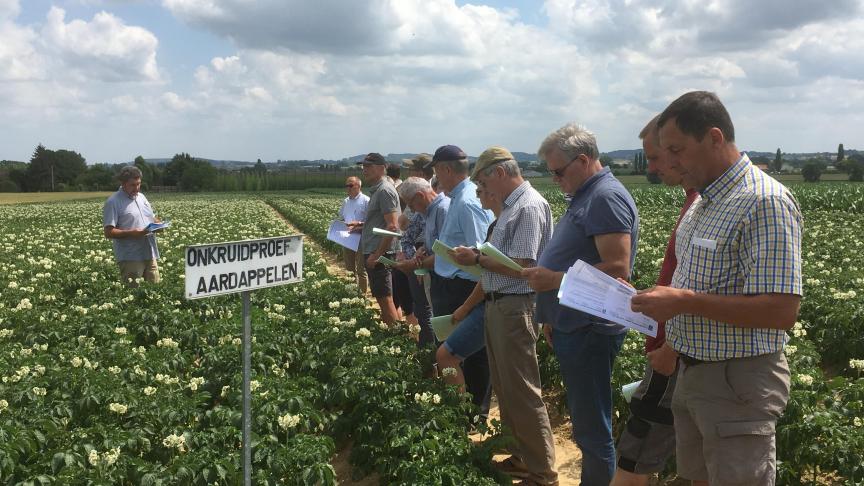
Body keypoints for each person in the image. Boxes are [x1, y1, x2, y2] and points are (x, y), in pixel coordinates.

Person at [631, 91, 802, 486]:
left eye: (676, 149)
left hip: (736, 382)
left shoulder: (764, 202)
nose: (669, 162)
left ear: (713, 138)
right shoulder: (702, 202)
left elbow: (781, 310)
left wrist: (683, 301)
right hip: (694, 375)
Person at [523, 124, 639, 486]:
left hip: (590, 329)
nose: (554, 179)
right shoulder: (587, 196)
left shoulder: (604, 197)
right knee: (588, 423)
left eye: (558, 171)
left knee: (592, 428)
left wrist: (554, 280)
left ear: (584, 160)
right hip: (575, 324)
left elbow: (619, 267)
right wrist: (553, 316)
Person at [452, 146, 558, 486]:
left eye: (483, 180)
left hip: (516, 306)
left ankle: (543, 473)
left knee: (523, 392)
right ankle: (521, 458)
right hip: (501, 305)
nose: (484, 188)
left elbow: (525, 266)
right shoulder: (512, 209)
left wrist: (478, 259)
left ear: (499, 172)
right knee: (507, 388)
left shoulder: (527, 207)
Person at [611, 115, 699, 485]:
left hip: (672, 354)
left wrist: (672, 348)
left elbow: (703, 291)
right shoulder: (695, 201)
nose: (652, 167)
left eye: (656, 156)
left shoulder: (705, 203)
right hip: (668, 347)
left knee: (637, 454)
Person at [424, 144, 494, 424]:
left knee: (471, 355)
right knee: (459, 353)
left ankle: (474, 412)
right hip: (452, 284)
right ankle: (463, 407)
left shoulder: (466, 201)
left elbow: (481, 251)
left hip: (463, 287)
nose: (436, 178)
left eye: (436, 171)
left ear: (445, 169)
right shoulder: (457, 198)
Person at [438, 183, 500, 393]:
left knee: (451, 354)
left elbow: (491, 268)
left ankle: (468, 413)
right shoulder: (498, 222)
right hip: (487, 296)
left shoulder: (467, 204)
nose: (477, 196)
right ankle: (470, 411)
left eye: (480, 191)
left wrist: (475, 257)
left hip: (489, 297)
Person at [396, 175, 447, 347]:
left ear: (419, 196)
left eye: (410, 203)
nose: (410, 208)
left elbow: (447, 251)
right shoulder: (424, 213)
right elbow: (408, 238)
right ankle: (432, 355)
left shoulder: (443, 210)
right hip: (432, 273)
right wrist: (417, 256)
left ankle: (435, 357)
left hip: (445, 276)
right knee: (427, 311)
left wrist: (418, 265)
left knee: (437, 316)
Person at [357, 152, 402, 325]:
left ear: (382, 168)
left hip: (380, 254)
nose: (365, 170)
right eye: (364, 166)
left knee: (385, 299)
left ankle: (395, 339)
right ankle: (396, 333)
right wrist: (362, 226)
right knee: (386, 298)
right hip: (377, 251)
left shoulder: (384, 191)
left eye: (369, 166)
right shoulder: (379, 189)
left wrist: (377, 255)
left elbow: (392, 226)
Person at [103, 165, 163, 287]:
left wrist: (158, 224)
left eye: (138, 184)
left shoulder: (142, 197)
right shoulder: (113, 202)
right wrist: (132, 233)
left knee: (155, 290)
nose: (137, 188)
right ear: (123, 183)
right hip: (131, 256)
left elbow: (150, 217)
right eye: (133, 185)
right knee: (134, 293)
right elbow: (108, 232)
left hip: (149, 252)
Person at [339, 176, 369, 294]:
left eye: (350, 185)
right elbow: (342, 217)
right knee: (349, 269)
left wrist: (359, 226)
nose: (348, 188)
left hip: (361, 238)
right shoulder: (346, 201)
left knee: (361, 269)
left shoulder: (366, 200)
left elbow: (371, 222)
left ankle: (362, 296)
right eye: (346, 186)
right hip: (347, 238)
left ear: (358, 186)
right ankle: (351, 294)